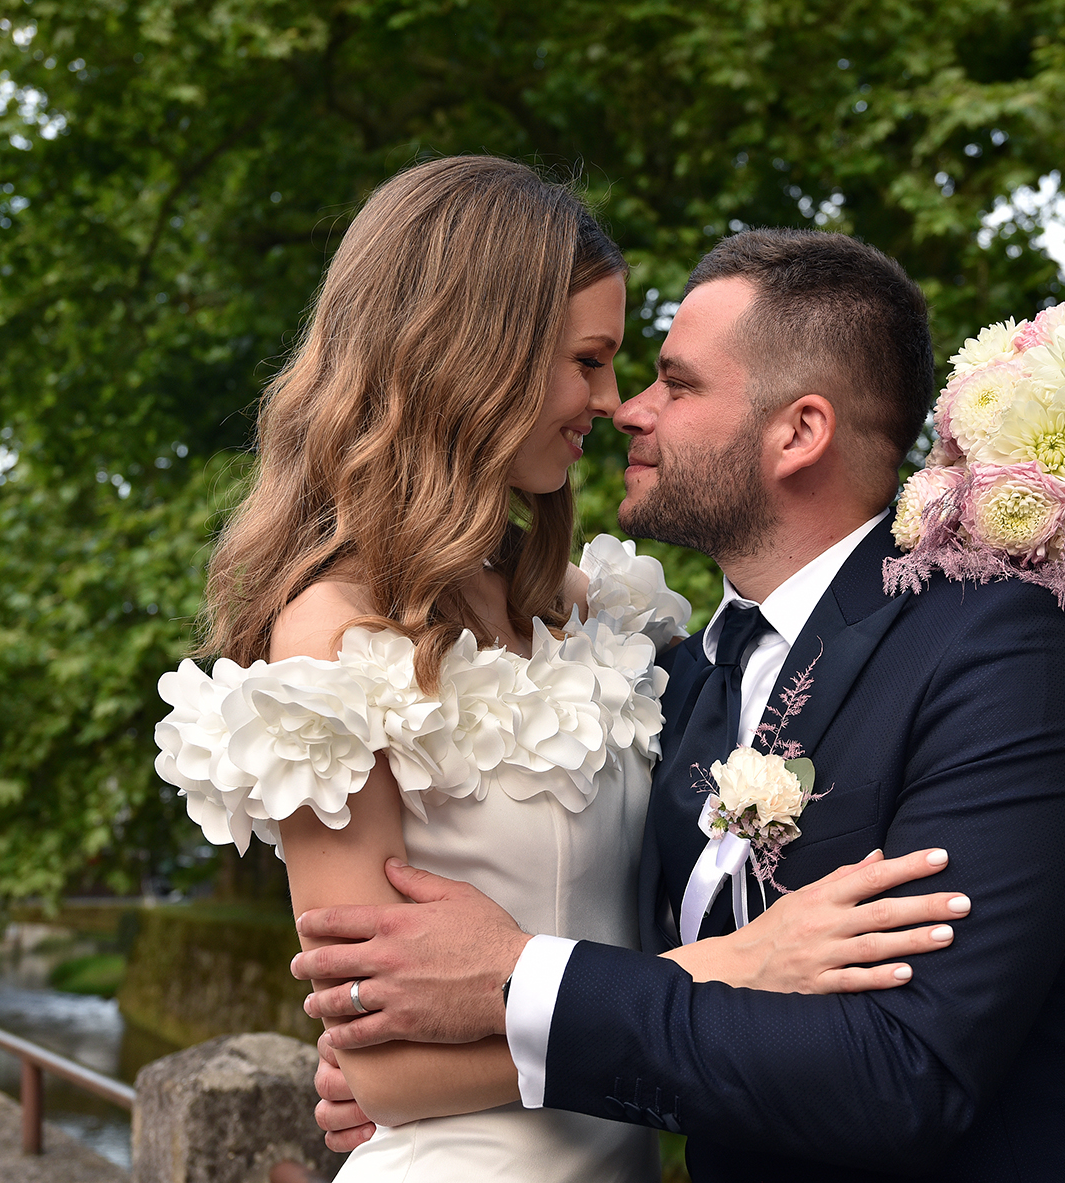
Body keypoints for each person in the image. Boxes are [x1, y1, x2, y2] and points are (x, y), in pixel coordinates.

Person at [154, 160, 969, 1183]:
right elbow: (386, 1075)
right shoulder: (330, 634)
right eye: (588, 361)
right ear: (473, 354)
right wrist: (735, 966)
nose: (611, 402)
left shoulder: (594, 610)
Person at [300, 228, 1065, 1180]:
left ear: (799, 432)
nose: (630, 408)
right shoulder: (681, 681)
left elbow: (902, 1074)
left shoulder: (1006, 652)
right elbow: (667, 991)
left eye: (677, 384)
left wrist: (518, 982)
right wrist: (440, 1072)